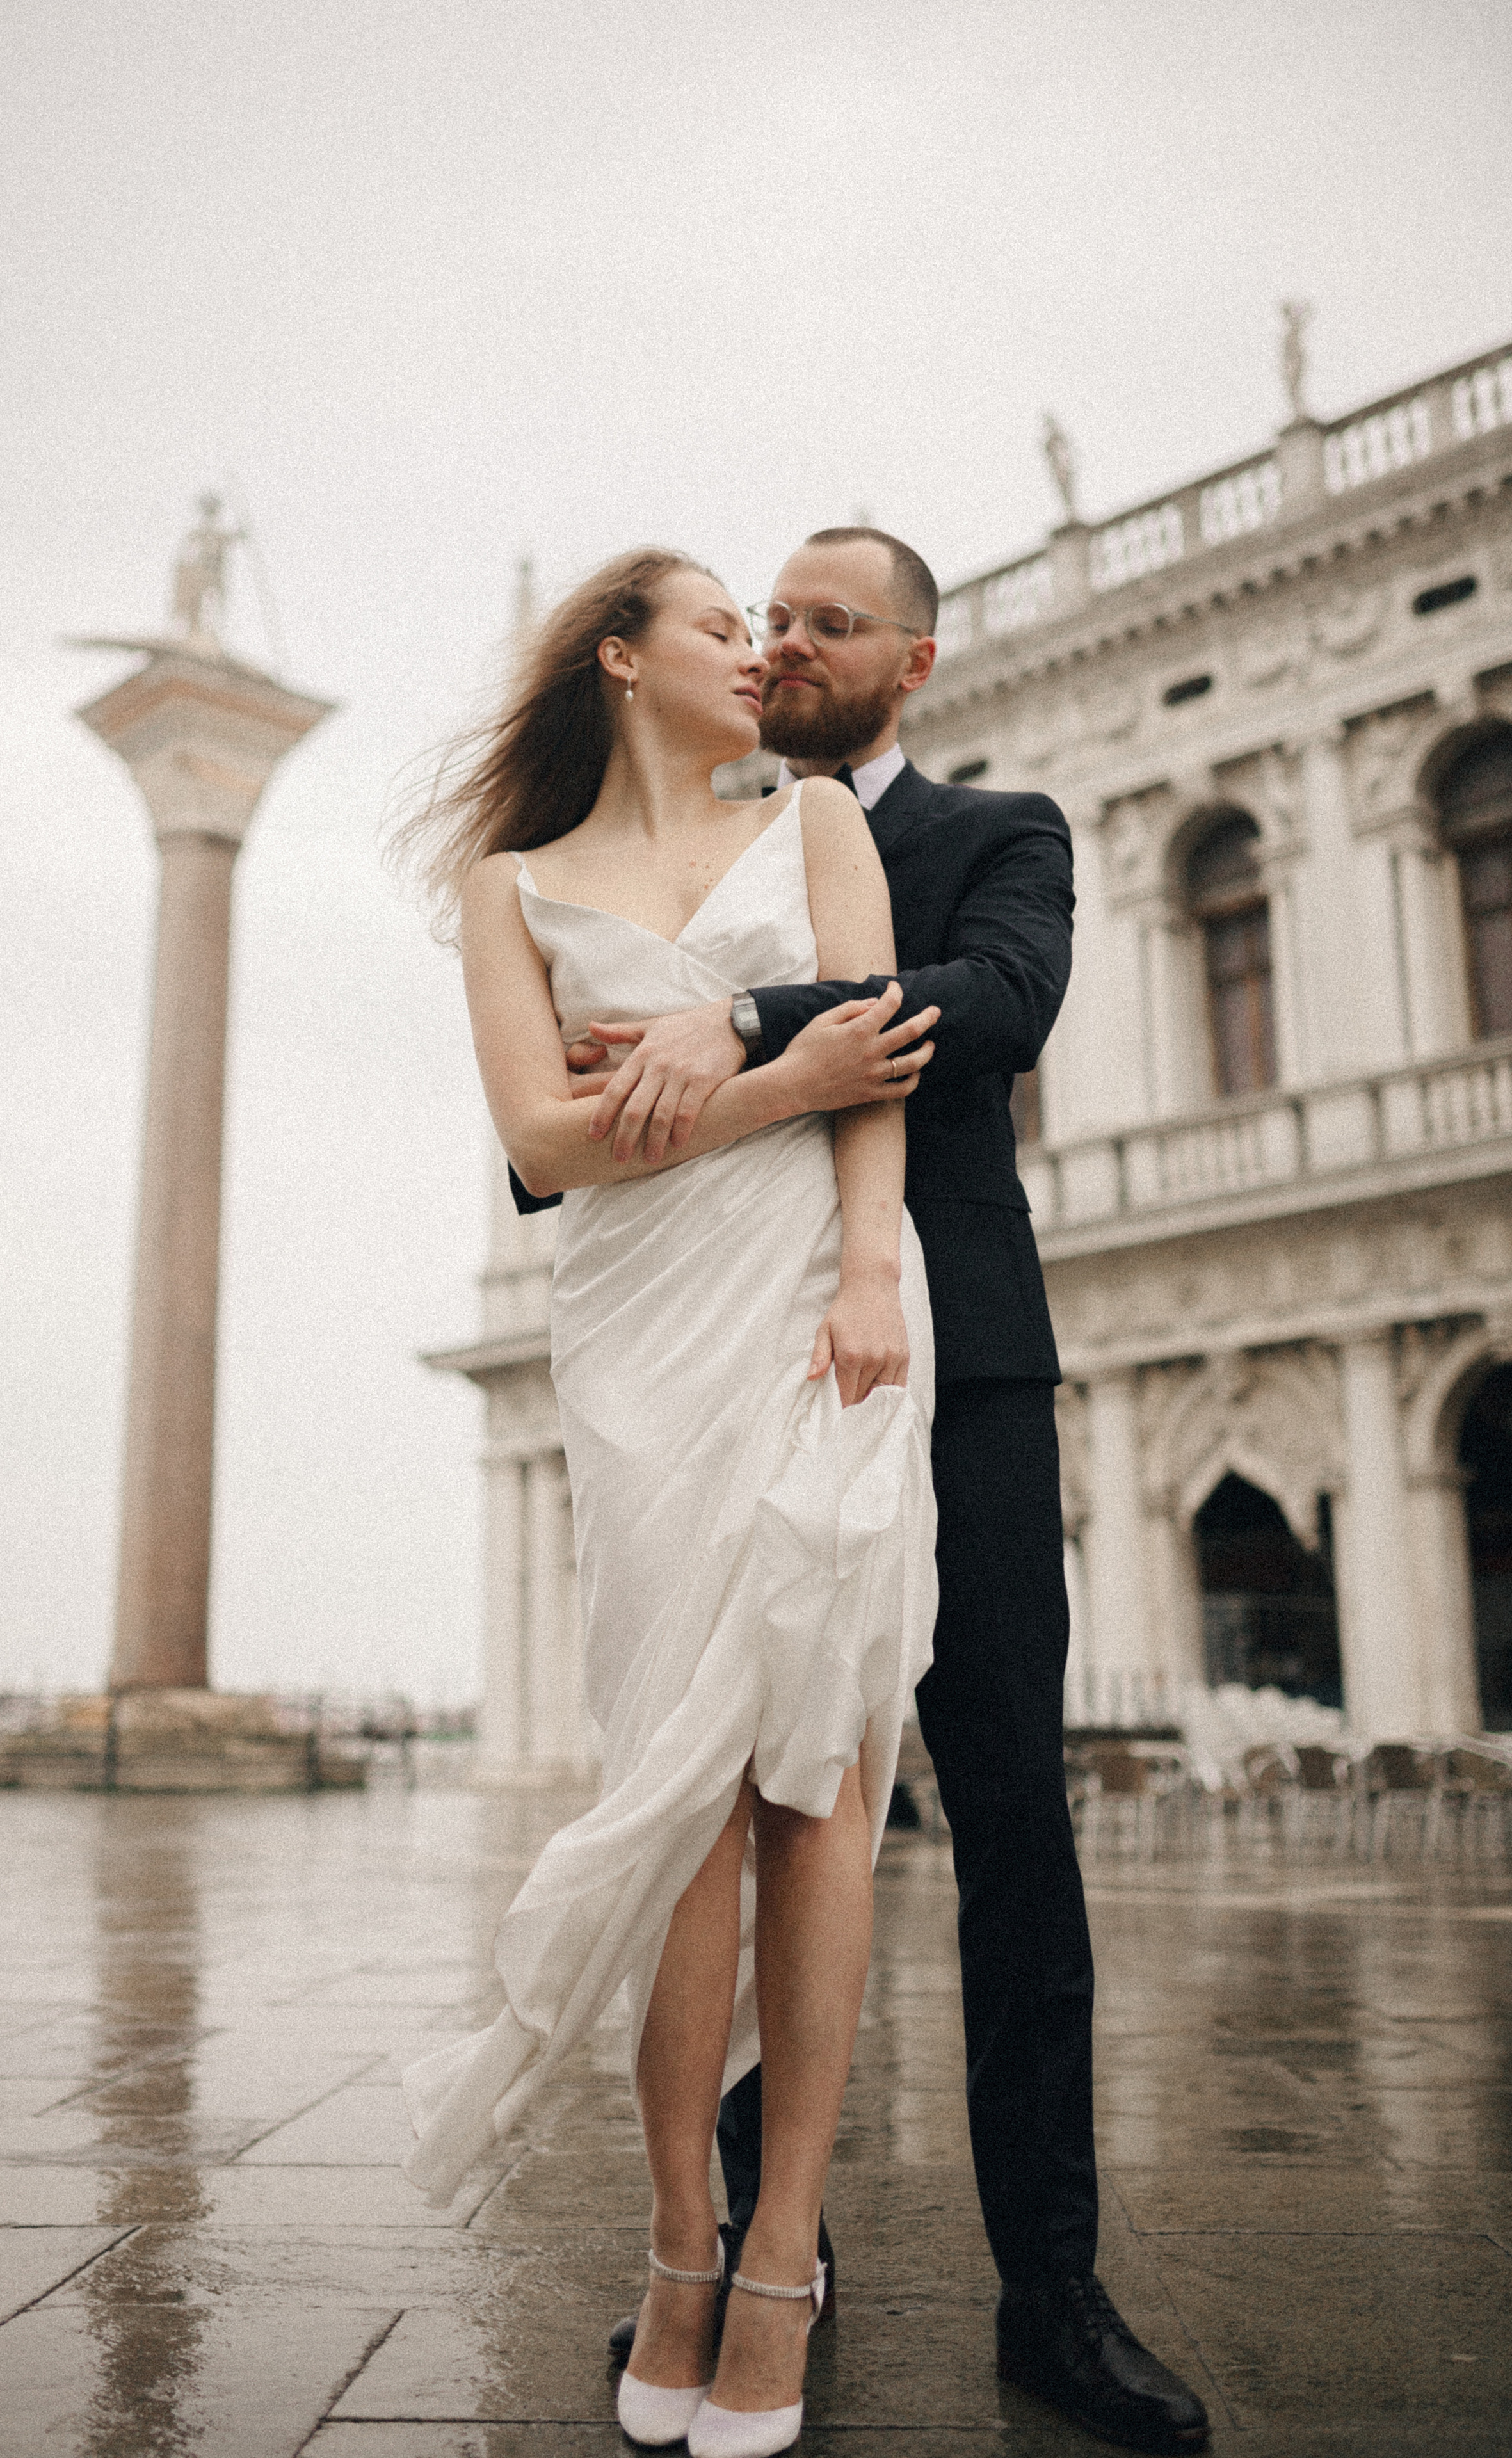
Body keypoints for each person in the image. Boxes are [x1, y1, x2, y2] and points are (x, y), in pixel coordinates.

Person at [551, 529, 1209, 2456]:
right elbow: (561, 1118)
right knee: (749, 1804)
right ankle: (766, 2248)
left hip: (954, 1361)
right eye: (768, 617)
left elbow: (996, 1013)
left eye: (830, 625)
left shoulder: (1005, 829)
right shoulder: (687, 844)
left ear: (913, 663)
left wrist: (735, 1026)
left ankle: (1055, 2295)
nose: (785, 646)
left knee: (1010, 1813)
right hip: (740, 1370)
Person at [395, 547, 944, 2458]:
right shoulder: (507, 887)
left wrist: (873, 1267)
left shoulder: (814, 824)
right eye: (725, 624)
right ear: (625, 661)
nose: (763, 650)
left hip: (821, 1308)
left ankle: (783, 2253)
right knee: (675, 1795)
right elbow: (548, 1140)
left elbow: (876, 1071)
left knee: (816, 1775)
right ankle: (678, 2239)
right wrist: (776, 1081)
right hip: (633, 1342)